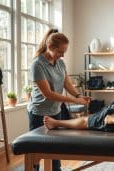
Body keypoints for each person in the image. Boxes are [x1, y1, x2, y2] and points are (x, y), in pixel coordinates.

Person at [27, 28, 91, 171]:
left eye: (64, 52)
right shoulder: (37, 64)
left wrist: (78, 96)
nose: (62, 55)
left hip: (55, 111)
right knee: (35, 150)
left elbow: (66, 83)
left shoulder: (60, 63)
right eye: (60, 52)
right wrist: (75, 101)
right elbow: (48, 94)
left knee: (55, 148)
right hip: (38, 113)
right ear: (50, 47)